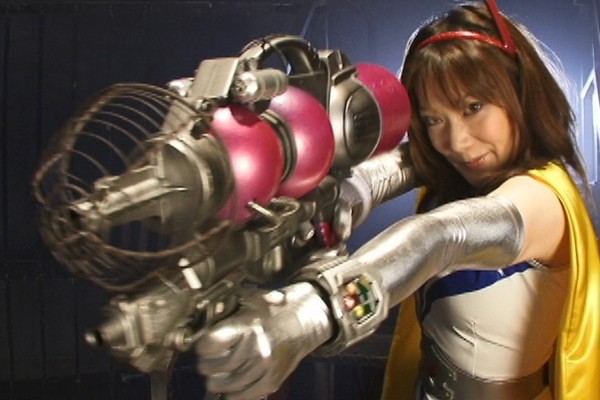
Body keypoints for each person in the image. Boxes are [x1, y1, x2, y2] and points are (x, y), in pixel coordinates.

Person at [195, 1, 600, 399]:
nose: (456, 142)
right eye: (434, 119)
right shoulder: (456, 169)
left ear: (521, 93)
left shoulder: (542, 197)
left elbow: (438, 237)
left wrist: (309, 316)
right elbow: (387, 171)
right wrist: (331, 201)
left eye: (473, 107)